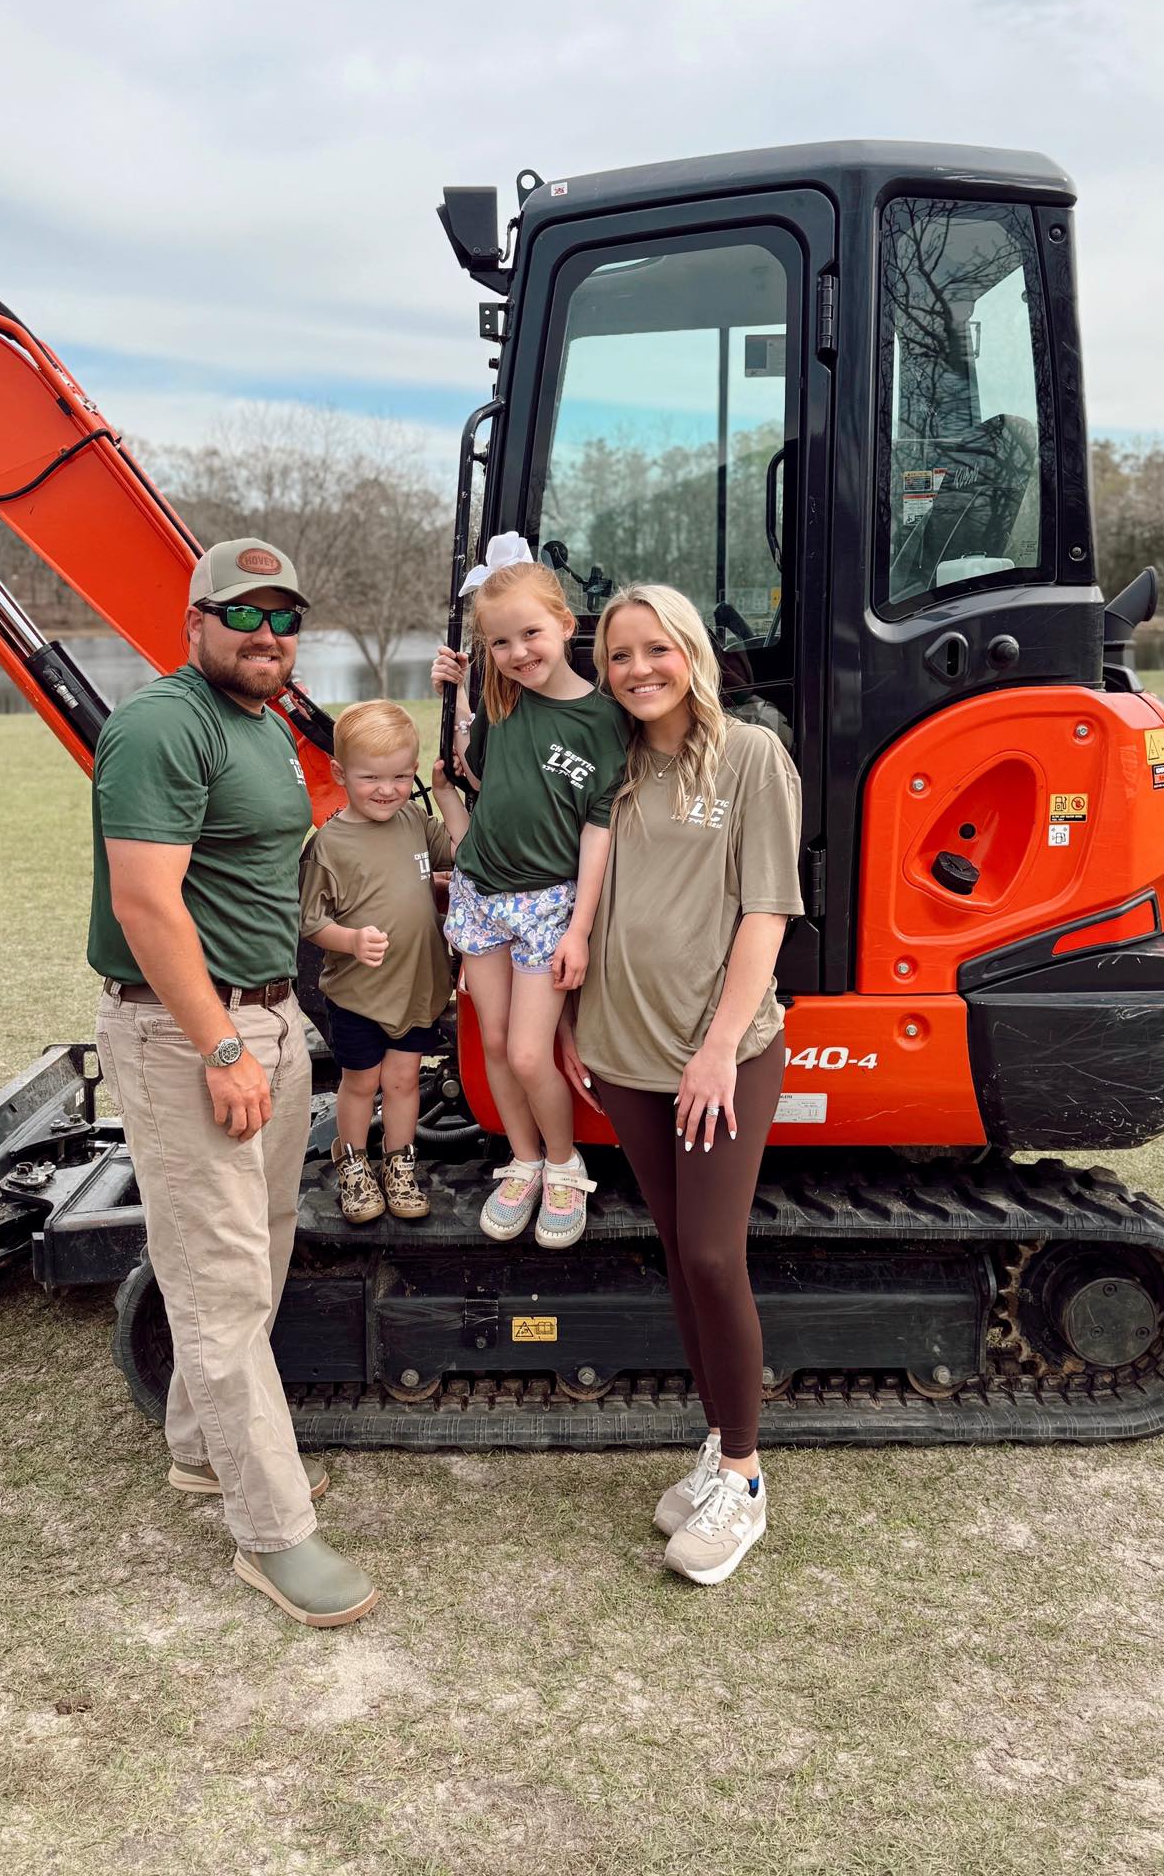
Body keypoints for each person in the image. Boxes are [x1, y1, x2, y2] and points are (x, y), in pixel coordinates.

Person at [89, 538, 377, 1629]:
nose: (266, 635)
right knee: (217, 1282)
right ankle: (273, 1533)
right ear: (195, 622)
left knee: (257, 1253)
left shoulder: (260, 724)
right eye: (243, 615)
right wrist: (218, 1047)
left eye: (283, 618)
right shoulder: (164, 724)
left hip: (268, 1014)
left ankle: (202, 1451)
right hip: (187, 1029)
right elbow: (146, 903)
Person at [559, 584, 803, 1587]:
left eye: (655, 649)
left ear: (692, 652)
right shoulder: (609, 761)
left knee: (710, 1251)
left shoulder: (749, 756)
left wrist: (719, 1047)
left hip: (717, 1058)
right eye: (619, 656)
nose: (638, 670)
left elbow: (766, 912)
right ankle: (715, 1439)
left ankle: (743, 1477)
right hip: (620, 1051)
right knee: (677, 1252)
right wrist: (573, 1022)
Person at [430, 539, 629, 1250]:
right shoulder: (502, 700)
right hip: (481, 893)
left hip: (547, 905)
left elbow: (598, 831)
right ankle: (522, 1162)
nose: (517, 652)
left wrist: (579, 928)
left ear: (566, 625)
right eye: (500, 643)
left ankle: (564, 1164)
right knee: (490, 1039)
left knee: (524, 1053)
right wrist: (457, 693)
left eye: (530, 634)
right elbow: (479, 774)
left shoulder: (605, 720)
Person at [300, 699, 454, 1224]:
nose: (387, 790)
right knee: (362, 1082)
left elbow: (459, 852)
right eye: (371, 778)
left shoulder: (415, 820)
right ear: (340, 773)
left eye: (401, 777)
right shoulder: (329, 845)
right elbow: (310, 921)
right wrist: (349, 940)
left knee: (404, 1081)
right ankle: (354, 1166)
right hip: (359, 994)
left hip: (416, 987)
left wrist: (446, 792)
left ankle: (399, 1166)